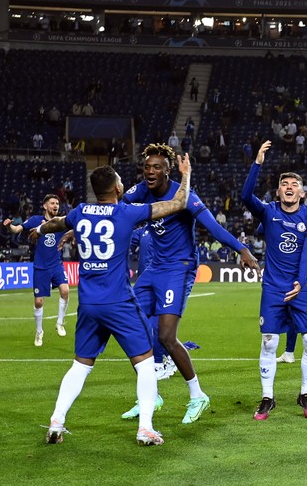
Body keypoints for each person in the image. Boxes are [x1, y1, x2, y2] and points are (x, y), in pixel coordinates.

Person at [41, 156, 192, 446]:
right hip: (119, 301)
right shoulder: (126, 213)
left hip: (88, 303)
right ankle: (146, 427)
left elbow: (57, 223)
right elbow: (178, 203)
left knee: (81, 366)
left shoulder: (80, 212)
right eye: (121, 181)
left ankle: (57, 421)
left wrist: (39, 230)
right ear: (116, 188)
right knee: (146, 363)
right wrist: (185, 175)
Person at [120, 144, 258, 425]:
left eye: (157, 167)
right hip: (153, 268)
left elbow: (213, 227)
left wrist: (241, 248)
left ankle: (197, 395)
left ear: (168, 171)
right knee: (132, 327)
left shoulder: (186, 196)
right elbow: (116, 207)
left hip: (178, 269)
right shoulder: (141, 190)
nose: (150, 171)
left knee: (166, 337)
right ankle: (150, 396)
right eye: (147, 166)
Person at [241, 140, 307, 420]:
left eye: (293, 184)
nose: (289, 187)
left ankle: (305, 394)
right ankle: (267, 397)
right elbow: (245, 195)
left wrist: (301, 282)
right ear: (278, 191)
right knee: (269, 342)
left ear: (301, 191)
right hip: (273, 288)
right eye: (284, 184)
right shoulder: (269, 211)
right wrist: (257, 164)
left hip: (301, 288)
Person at [3, 194, 71, 346]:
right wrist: (9, 226)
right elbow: (16, 229)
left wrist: (69, 236)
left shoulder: (61, 222)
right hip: (41, 267)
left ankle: (60, 322)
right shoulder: (35, 220)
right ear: (45, 206)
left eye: (58, 203)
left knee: (65, 291)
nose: (56, 206)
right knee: (39, 302)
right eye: (53, 203)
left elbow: (74, 227)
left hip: (56, 265)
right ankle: (39, 331)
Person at [131, 225, 176, 381]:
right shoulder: (142, 231)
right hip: (144, 284)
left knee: (157, 325)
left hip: (165, 282)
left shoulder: (171, 228)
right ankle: (171, 353)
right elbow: (123, 240)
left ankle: (158, 364)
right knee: (140, 322)